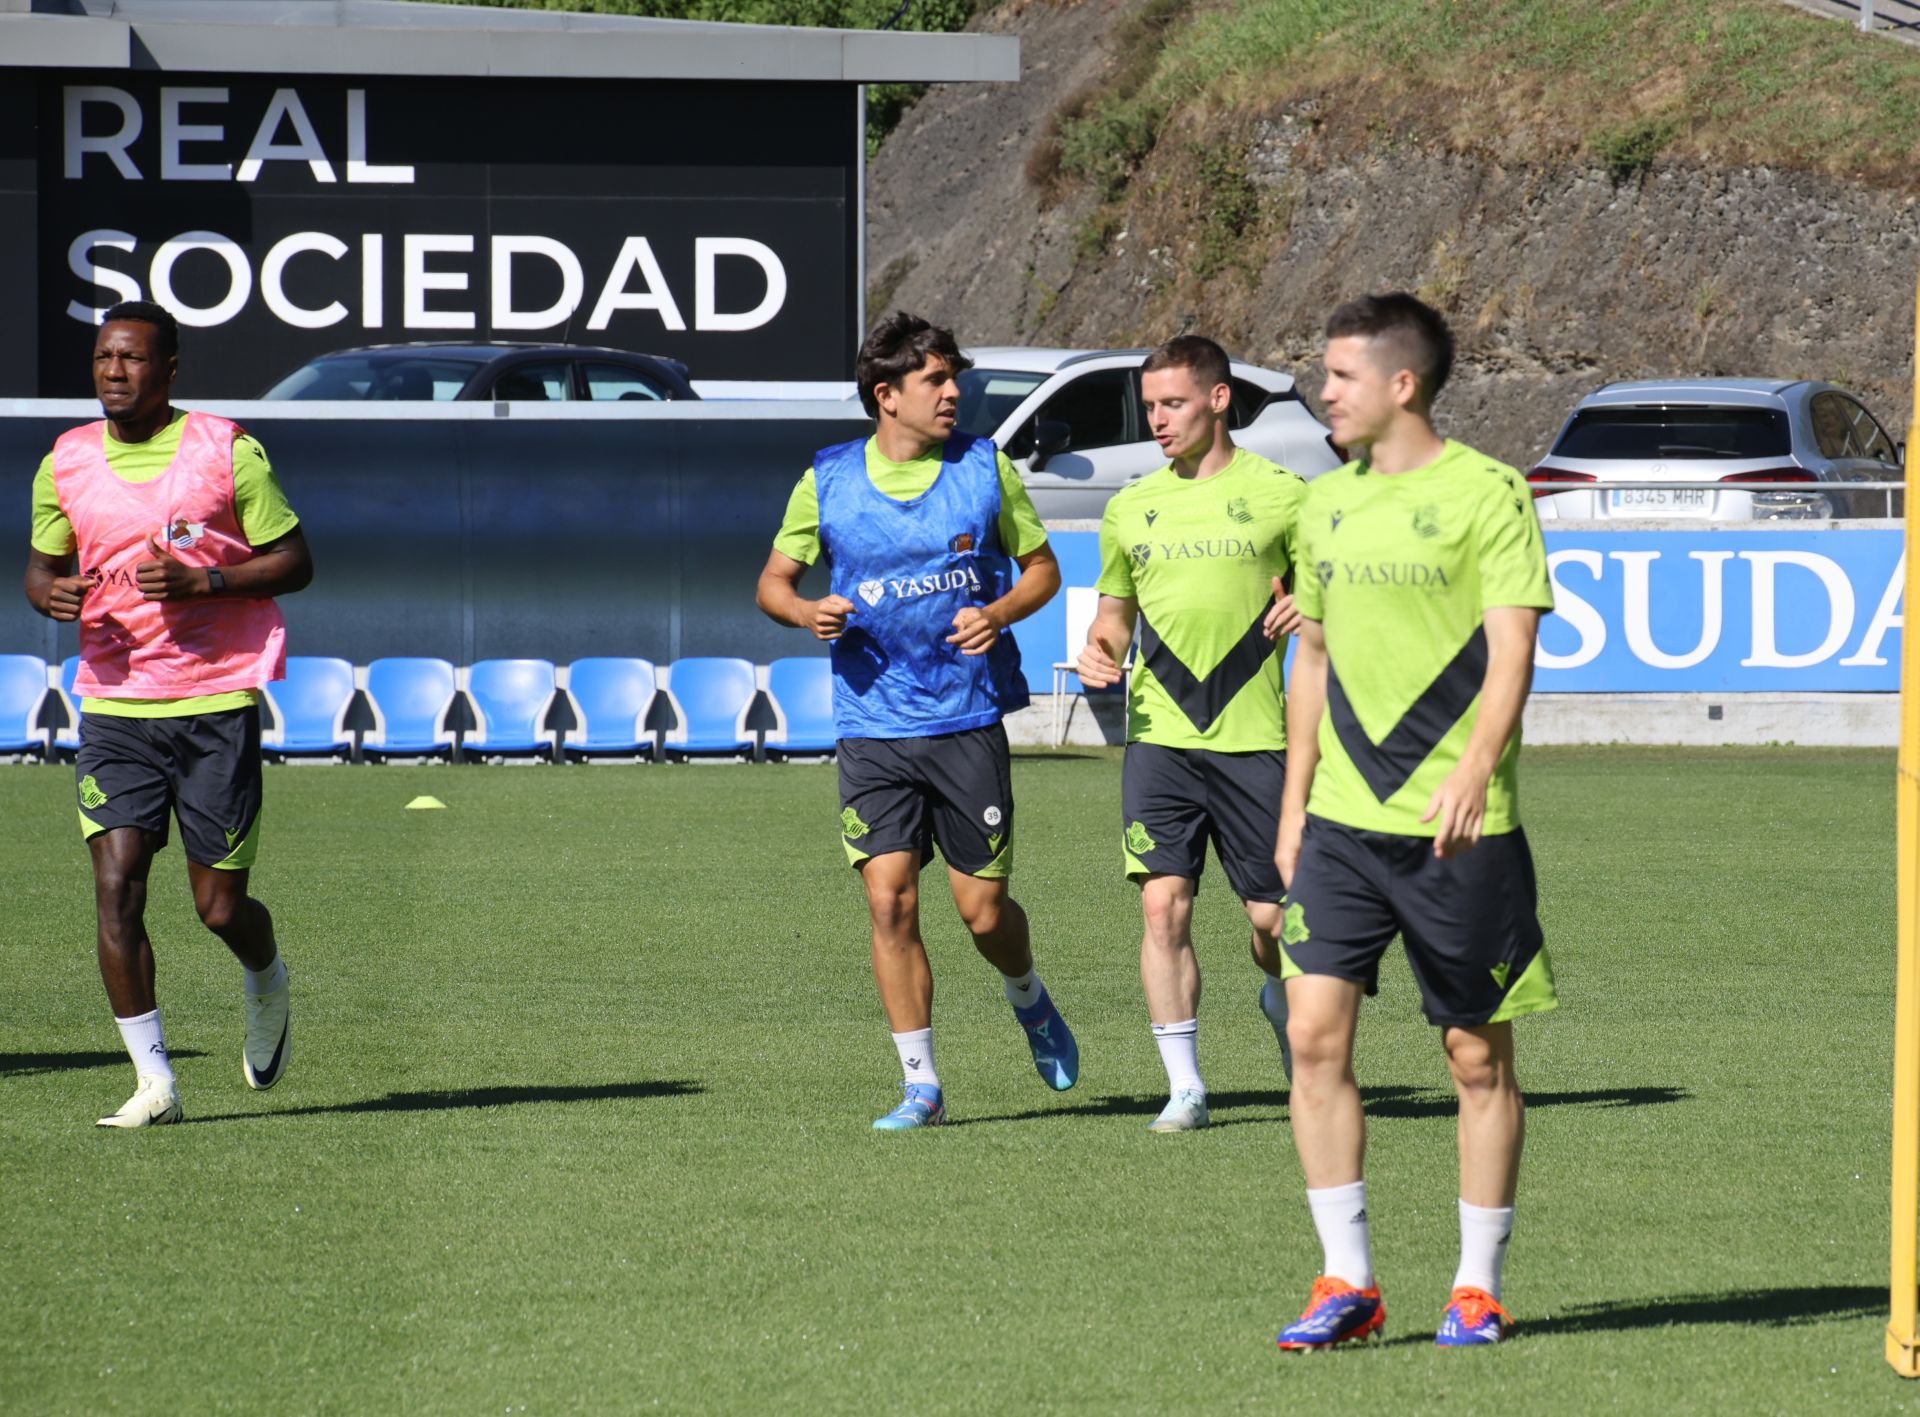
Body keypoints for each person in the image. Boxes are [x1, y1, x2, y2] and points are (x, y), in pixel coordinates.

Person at [1269, 293, 1557, 1348]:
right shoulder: (1322, 506)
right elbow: (1315, 656)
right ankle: (1347, 1280)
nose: (1322, 393)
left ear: (1403, 384)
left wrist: (1478, 766)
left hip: (1458, 826)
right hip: (1342, 824)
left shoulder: (1490, 491)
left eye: (1339, 376)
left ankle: (1475, 1286)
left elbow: (1515, 648)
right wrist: (1293, 808)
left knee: (1475, 1056)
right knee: (1311, 1035)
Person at [755, 312, 1075, 1130]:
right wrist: (805, 612)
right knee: (889, 903)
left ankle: (1028, 995)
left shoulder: (984, 468)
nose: (952, 393)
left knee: (983, 913)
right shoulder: (825, 479)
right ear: (885, 394)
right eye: (936, 380)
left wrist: (998, 611)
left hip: (964, 719)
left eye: (952, 379)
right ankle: (921, 1086)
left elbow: (1044, 571)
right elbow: (773, 584)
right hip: (871, 721)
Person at [23, 301, 315, 1129]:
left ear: (171, 369)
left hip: (213, 700)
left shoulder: (225, 450)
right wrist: (57, 595)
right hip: (115, 702)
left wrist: (208, 582)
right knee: (116, 887)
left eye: (135, 358)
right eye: (105, 357)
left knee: (217, 907)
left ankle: (266, 976)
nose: (116, 371)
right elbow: (41, 573)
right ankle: (156, 1083)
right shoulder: (66, 461)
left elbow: (296, 560)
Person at [1075, 336, 1306, 1132]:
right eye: (1149, 408)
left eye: (1172, 403)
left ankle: (1278, 997)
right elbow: (1113, 616)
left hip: (1258, 741)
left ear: (1217, 399)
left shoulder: (1285, 495)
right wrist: (1098, 651)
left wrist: (1313, 608)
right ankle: (1187, 1087)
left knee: (1273, 922)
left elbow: (1331, 594)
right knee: (1162, 908)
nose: (1158, 421)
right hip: (1161, 740)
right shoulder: (1128, 506)